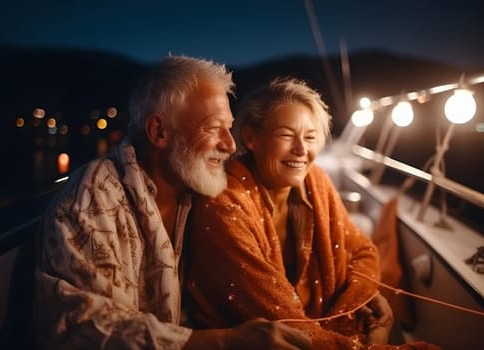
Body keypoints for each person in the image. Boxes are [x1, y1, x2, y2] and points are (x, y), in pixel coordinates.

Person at [33, 56, 313, 349]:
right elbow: (86, 328)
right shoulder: (91, 202)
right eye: (214, 128)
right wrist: (224, 342)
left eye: (229, 129)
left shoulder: (198, 194)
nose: (230, 145)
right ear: (159, 132)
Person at [185, 77, 440, 350]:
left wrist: (359, 301)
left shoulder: (315, 180)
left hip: (328, 330)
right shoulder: (225, 204)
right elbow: (282, 323)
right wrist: (369, 341)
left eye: (310, 137)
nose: (301, 150)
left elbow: (364, 251)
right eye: (285, 135)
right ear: (250, 138)